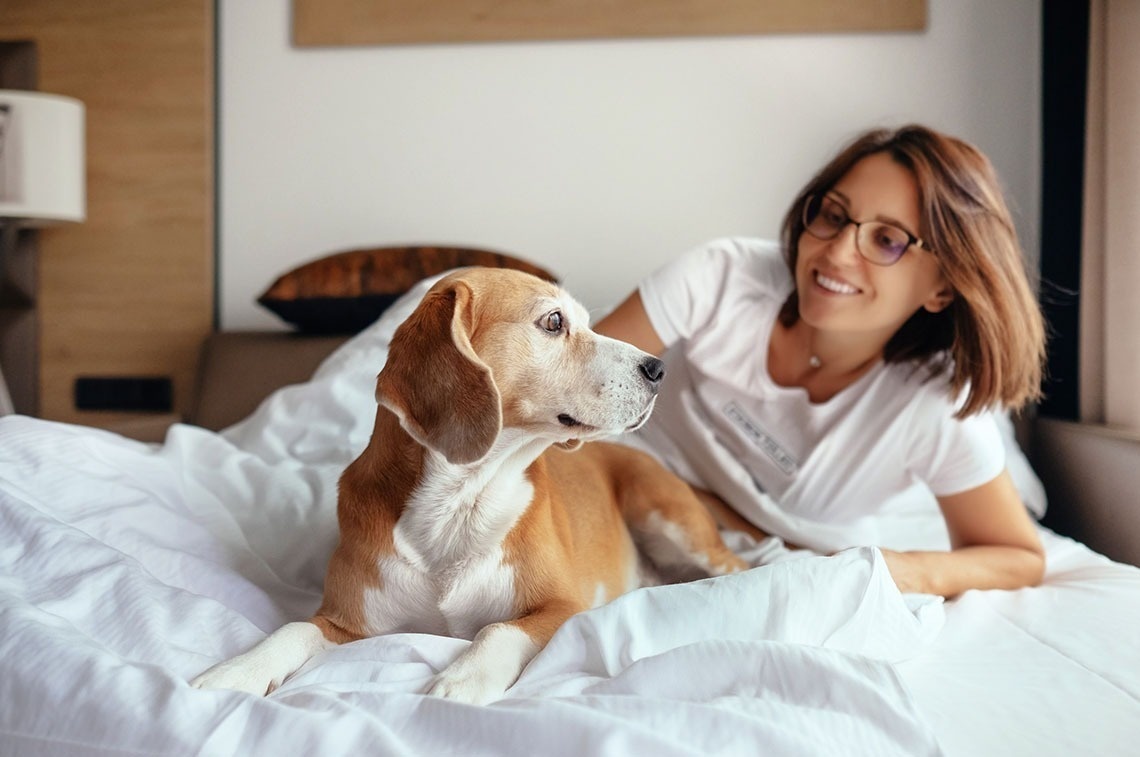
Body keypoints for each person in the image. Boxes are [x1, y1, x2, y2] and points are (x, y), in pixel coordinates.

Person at [595, 124, 1047, 597]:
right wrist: (689, 500)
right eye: (834, 215)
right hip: (609, 483)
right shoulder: (722, 278)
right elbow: (570, 394)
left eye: (888, 240)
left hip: (757, 556)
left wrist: (906, 571)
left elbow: (1020, 556)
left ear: (942, 287)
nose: (836, 252)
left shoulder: (936, 407)